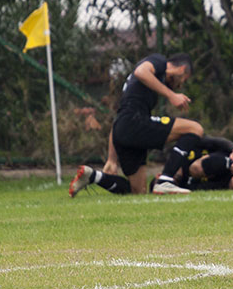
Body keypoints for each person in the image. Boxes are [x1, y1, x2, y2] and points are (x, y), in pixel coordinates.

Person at [69, 53, 205, 196]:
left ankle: (92, 176)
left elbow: (120, 119)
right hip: (135, 122)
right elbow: (141, 72)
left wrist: (112, 159)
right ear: (182, 69)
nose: (181, 84)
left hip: (124, 129)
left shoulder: (148, 84)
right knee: (195, 129)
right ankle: (165, 180)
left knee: (138, 191)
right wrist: (172, 95)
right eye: (184, 79)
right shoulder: (159, 61)